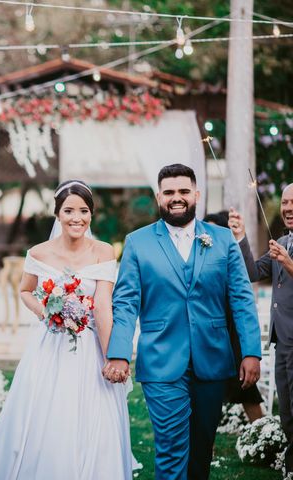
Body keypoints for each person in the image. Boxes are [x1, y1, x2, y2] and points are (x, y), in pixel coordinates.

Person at [106, 164, 262, 480]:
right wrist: (119, 353)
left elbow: (242, 299)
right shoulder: (138, 243)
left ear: (196, 195)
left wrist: (251, 352)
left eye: (183, 191)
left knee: (202, 449)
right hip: (162, 362)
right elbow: (124, 305)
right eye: (169, 192)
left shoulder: (221, 239)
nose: (177, 198)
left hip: (213, 360)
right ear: (159, 196)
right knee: (171, 447)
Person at [0, 180, 132, 479]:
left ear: (91, 214)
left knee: (92, 417)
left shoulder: (104, 252)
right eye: (69, 210)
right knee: (47, 416)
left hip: (89, 347)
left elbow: (102, 306)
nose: (77, 218)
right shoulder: (38, 253)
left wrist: (113, 354)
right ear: (57, 214)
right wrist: (48, 314)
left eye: (84, 211)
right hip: (50, 347)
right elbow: (25, 291)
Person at [229, 183, 293, 473]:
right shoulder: (281, 241)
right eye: (285, 202)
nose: (288, 208)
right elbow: (252, 272)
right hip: (281, 339)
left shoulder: (284, 252)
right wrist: (240, 236)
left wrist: (288, 263)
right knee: (287, 410)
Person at [203, 211, 264, 422]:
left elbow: (247, 278)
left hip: (231, 328)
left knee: (246, 389)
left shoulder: (228, 254)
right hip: (208, 330)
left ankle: (263, 434)